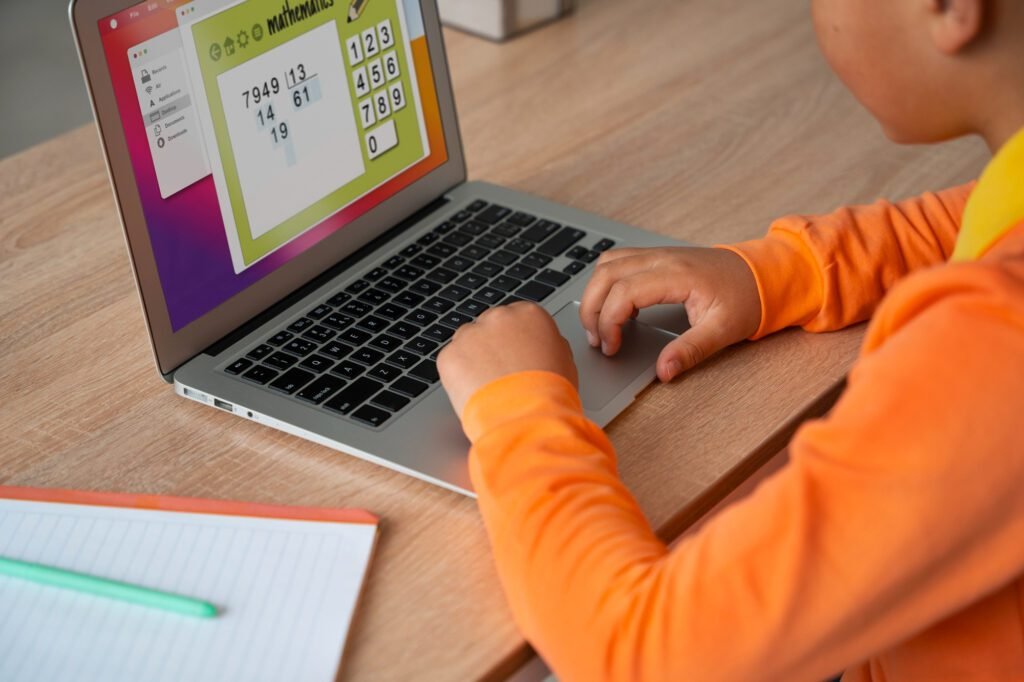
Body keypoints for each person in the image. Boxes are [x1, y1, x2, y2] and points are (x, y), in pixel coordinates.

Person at [435, 0, 1024, 679]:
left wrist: (519, 413)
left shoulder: (990, 353)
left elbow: (643, 653)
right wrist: (784, 271)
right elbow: (970, 215)